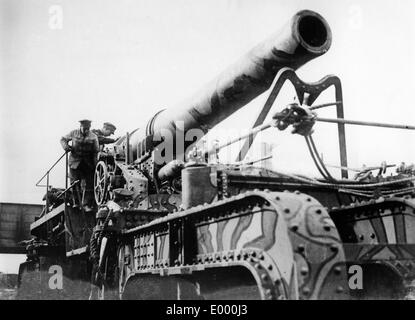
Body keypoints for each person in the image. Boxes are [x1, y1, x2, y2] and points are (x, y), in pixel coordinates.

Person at [60, 119, 99, 212]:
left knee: (89, 184)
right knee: (74, 183)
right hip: (74, 161)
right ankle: (76, 203)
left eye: (88, 128)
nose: (86, 130)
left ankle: (86, 204)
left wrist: (95, 164)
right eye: (84, 128)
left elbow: (95, 151)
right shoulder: (74, 133)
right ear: (81, 127)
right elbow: (63, 139)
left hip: (88, 163)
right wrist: (65, 146)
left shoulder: (93, 136)